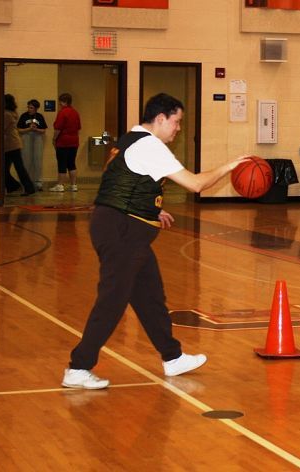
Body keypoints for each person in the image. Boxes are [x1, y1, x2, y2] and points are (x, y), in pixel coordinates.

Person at [62, 93, 248, 389]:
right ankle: (78, 367)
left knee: (150, 295)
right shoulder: (150, 145)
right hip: (123, 230)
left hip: (121, 225)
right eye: (176, 122)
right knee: (113, 299)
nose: (178, 129)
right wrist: (229, 167)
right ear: (160, 119)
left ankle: (172, 358)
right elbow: (196, 184)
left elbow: (119, 181)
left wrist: (151, 208)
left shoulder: (130, 140)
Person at [3, 94, 36, 196]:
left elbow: (2, 128)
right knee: (5, 169)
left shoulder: (6, 114)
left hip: (11, 144)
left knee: (19, 168)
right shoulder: (11, 113)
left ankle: (25, 187)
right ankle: (13, 186)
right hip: (12, 144)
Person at [50, 93, 81, 192]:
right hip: (74, 141)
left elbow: (58, 128)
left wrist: (54, 139)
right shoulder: (75, 112)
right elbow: (78, 128)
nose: (59, 104)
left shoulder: (62, 113)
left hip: (63, 142)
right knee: (72, 164)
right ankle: (74, 185)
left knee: (62, 163)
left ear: (63, 102)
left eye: (60, 102)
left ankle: (60, 185)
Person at [17, 99, 48, 191]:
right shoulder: (23, 116)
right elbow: (19, 130)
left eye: (31, 107)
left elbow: (43, 130)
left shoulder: (40, 116)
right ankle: (26, 182)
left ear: (36, 108)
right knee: (26, 160)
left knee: (37, 160)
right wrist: (29, 129)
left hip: (37, 138)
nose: (29, 109)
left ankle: (38, 182)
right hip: (26, 138)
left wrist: (36, 129)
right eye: (28, 107)